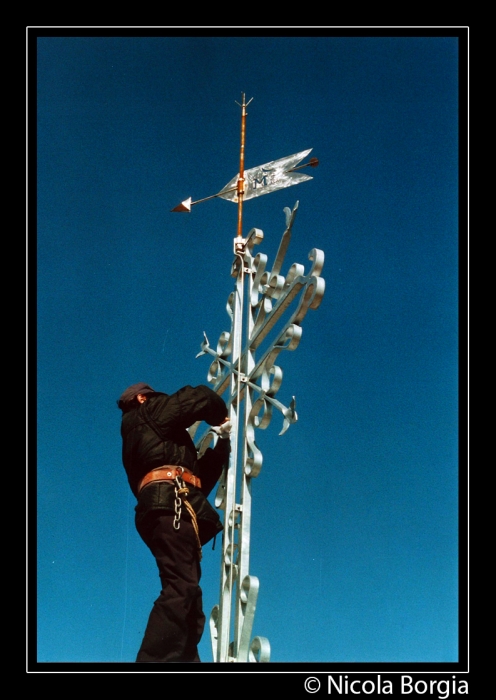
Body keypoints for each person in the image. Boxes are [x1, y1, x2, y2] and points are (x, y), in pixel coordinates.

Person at [117, 381, 230, 663]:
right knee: (181, 586)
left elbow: (194, 482)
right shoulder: (148, 413)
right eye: (156, 397)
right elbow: (199, 398)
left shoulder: (147, 437)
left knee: (189, 597)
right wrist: (222, 417)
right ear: (142, 398)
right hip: (171, 505)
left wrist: (221, 447)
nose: (161, 400)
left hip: (168, 505)